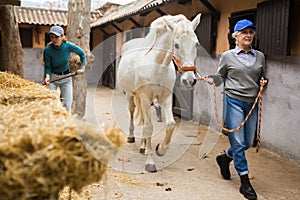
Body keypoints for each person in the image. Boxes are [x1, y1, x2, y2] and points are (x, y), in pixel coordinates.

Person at [202, 19, 268, 200]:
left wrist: (264, 82)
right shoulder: (228, 56)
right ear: (235, 36)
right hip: (234, 101)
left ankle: (225, 158)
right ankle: (245, 182)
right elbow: (221, 76)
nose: (248, 35)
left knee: (246, 142)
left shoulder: (260, 56)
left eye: (251, 32)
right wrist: (211, 79)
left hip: (252, 102)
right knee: (238, 142)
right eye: (244, 32)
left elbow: (262, 77)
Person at [43, 25, 86, 111]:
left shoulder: (68, 46)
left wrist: (83, 66)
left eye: (57, 37)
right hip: (53, 78)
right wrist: (47, 77)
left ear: (63, 37)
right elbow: (47, 66)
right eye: (52, 37)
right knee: (51, 104)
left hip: (66, 78)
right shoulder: (47, 50)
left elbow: (82, 53)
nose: (54, 39)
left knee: (67, 105)